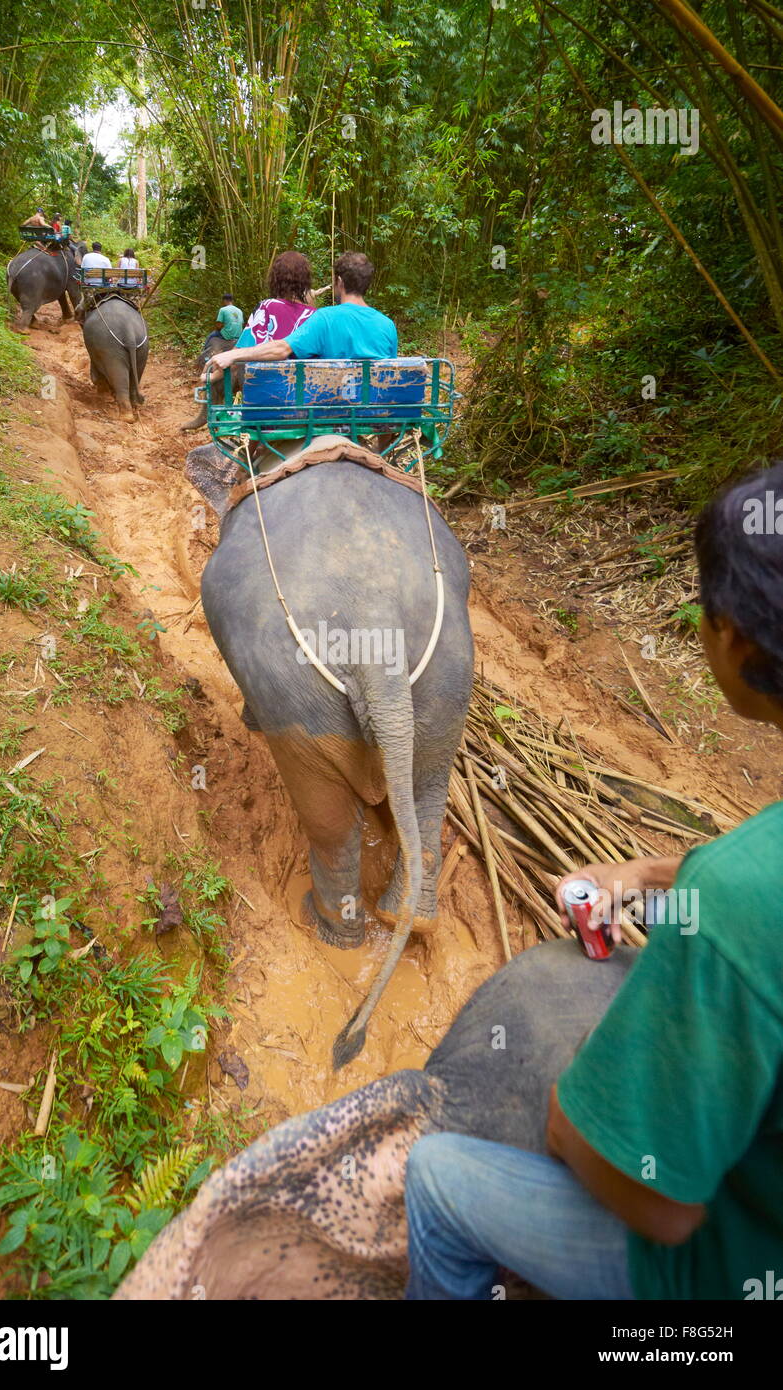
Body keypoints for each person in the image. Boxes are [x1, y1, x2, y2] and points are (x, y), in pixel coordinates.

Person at [403, 459, 783, 1301]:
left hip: (732, 1269)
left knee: (433, 1179)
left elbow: (663, 1204)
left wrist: (574, 1118)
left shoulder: (735, 899)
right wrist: (647, 872)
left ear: (737, 639)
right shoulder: (745, 874)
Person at [205, 252, 396, 379]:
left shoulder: (324, 318)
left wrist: (234, 354)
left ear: (339, 282)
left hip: (328, 409)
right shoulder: (387, 325)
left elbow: (282, 349)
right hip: (375, 413)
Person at [233, 251, 316, 350]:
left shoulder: (267, 307)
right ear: (305, 280)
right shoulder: (315, 315)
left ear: (276, 279)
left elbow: (241, 352)